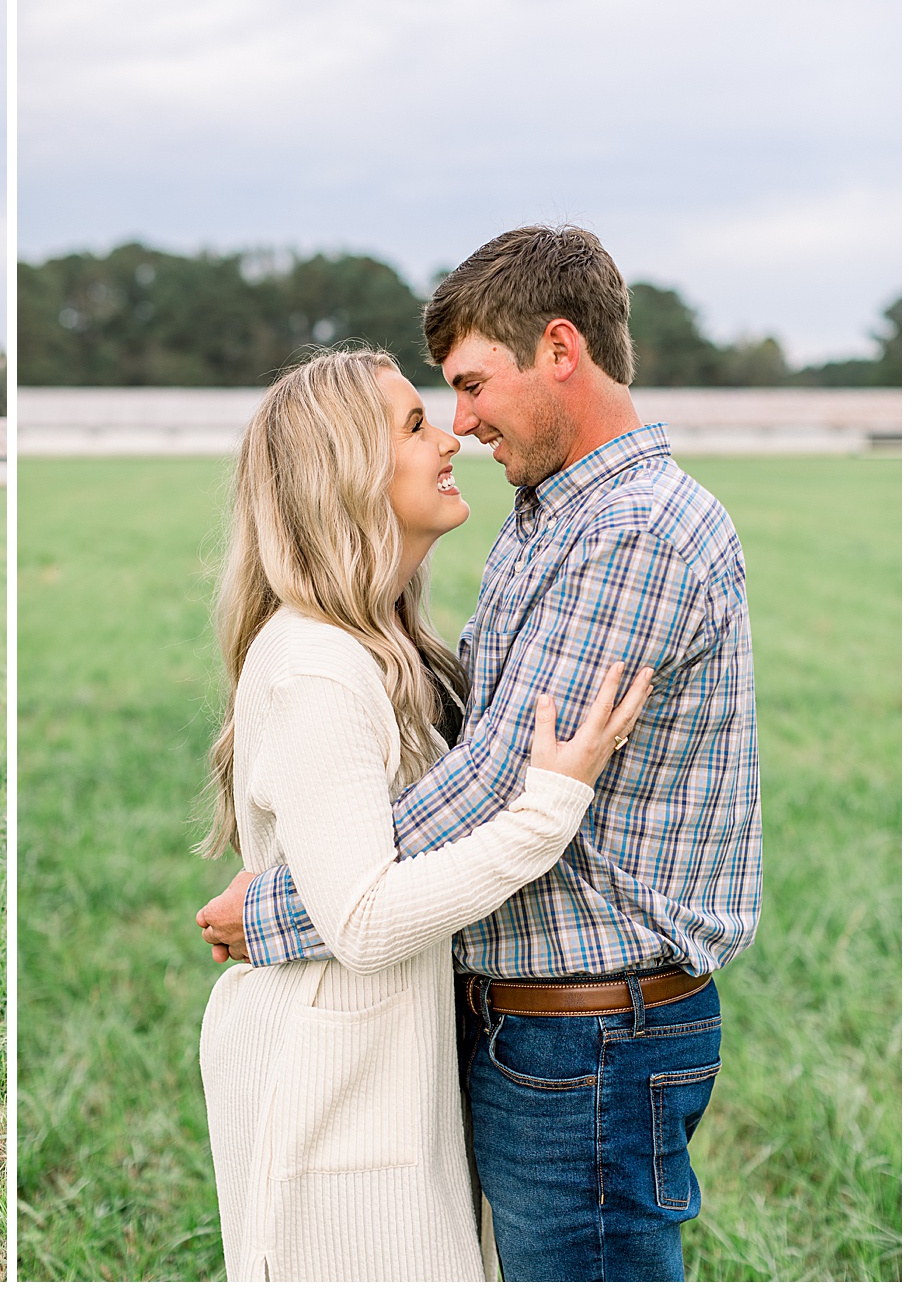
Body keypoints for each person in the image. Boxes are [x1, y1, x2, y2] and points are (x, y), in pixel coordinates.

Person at [196, 225, 762, 1281]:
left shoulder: (631, 529)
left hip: (591, 1034)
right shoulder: (551, 516)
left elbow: (503, 781)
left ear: (559, 350)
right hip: (545, 1032)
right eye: (430, 409)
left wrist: (281, 905)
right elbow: (491, 762)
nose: (461, 424)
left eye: (467, 385)